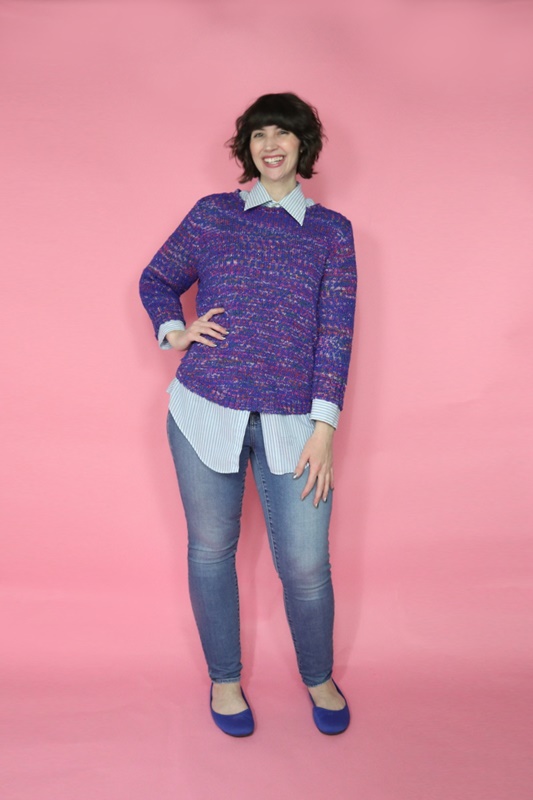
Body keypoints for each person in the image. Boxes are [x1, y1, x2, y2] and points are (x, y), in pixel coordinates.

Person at [139, 92, 357, 737]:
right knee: (211, 552)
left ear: (302, 145)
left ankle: (318, 676)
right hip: (204, 410)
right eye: (260, 134)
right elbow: (156, 279)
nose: (271, 145)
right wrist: (174, 331)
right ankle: (225, 679)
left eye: (283, 133)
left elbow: (335, 333)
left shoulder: (332, 231)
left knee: (306, 567)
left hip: (295, 423)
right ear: (247, 147)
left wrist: (325, 430)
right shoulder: (213, 215)